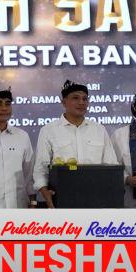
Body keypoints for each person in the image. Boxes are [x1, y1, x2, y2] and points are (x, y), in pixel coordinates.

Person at [33, 80, 118, 208]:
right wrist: (45, 192)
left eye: (85, 99)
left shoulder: (99, 129)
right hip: (62, 199)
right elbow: (41, 169)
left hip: (97, 198)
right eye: (75, 98)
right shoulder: (49, 131)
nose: (81, 102)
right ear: (64, 102)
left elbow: (111, 166)